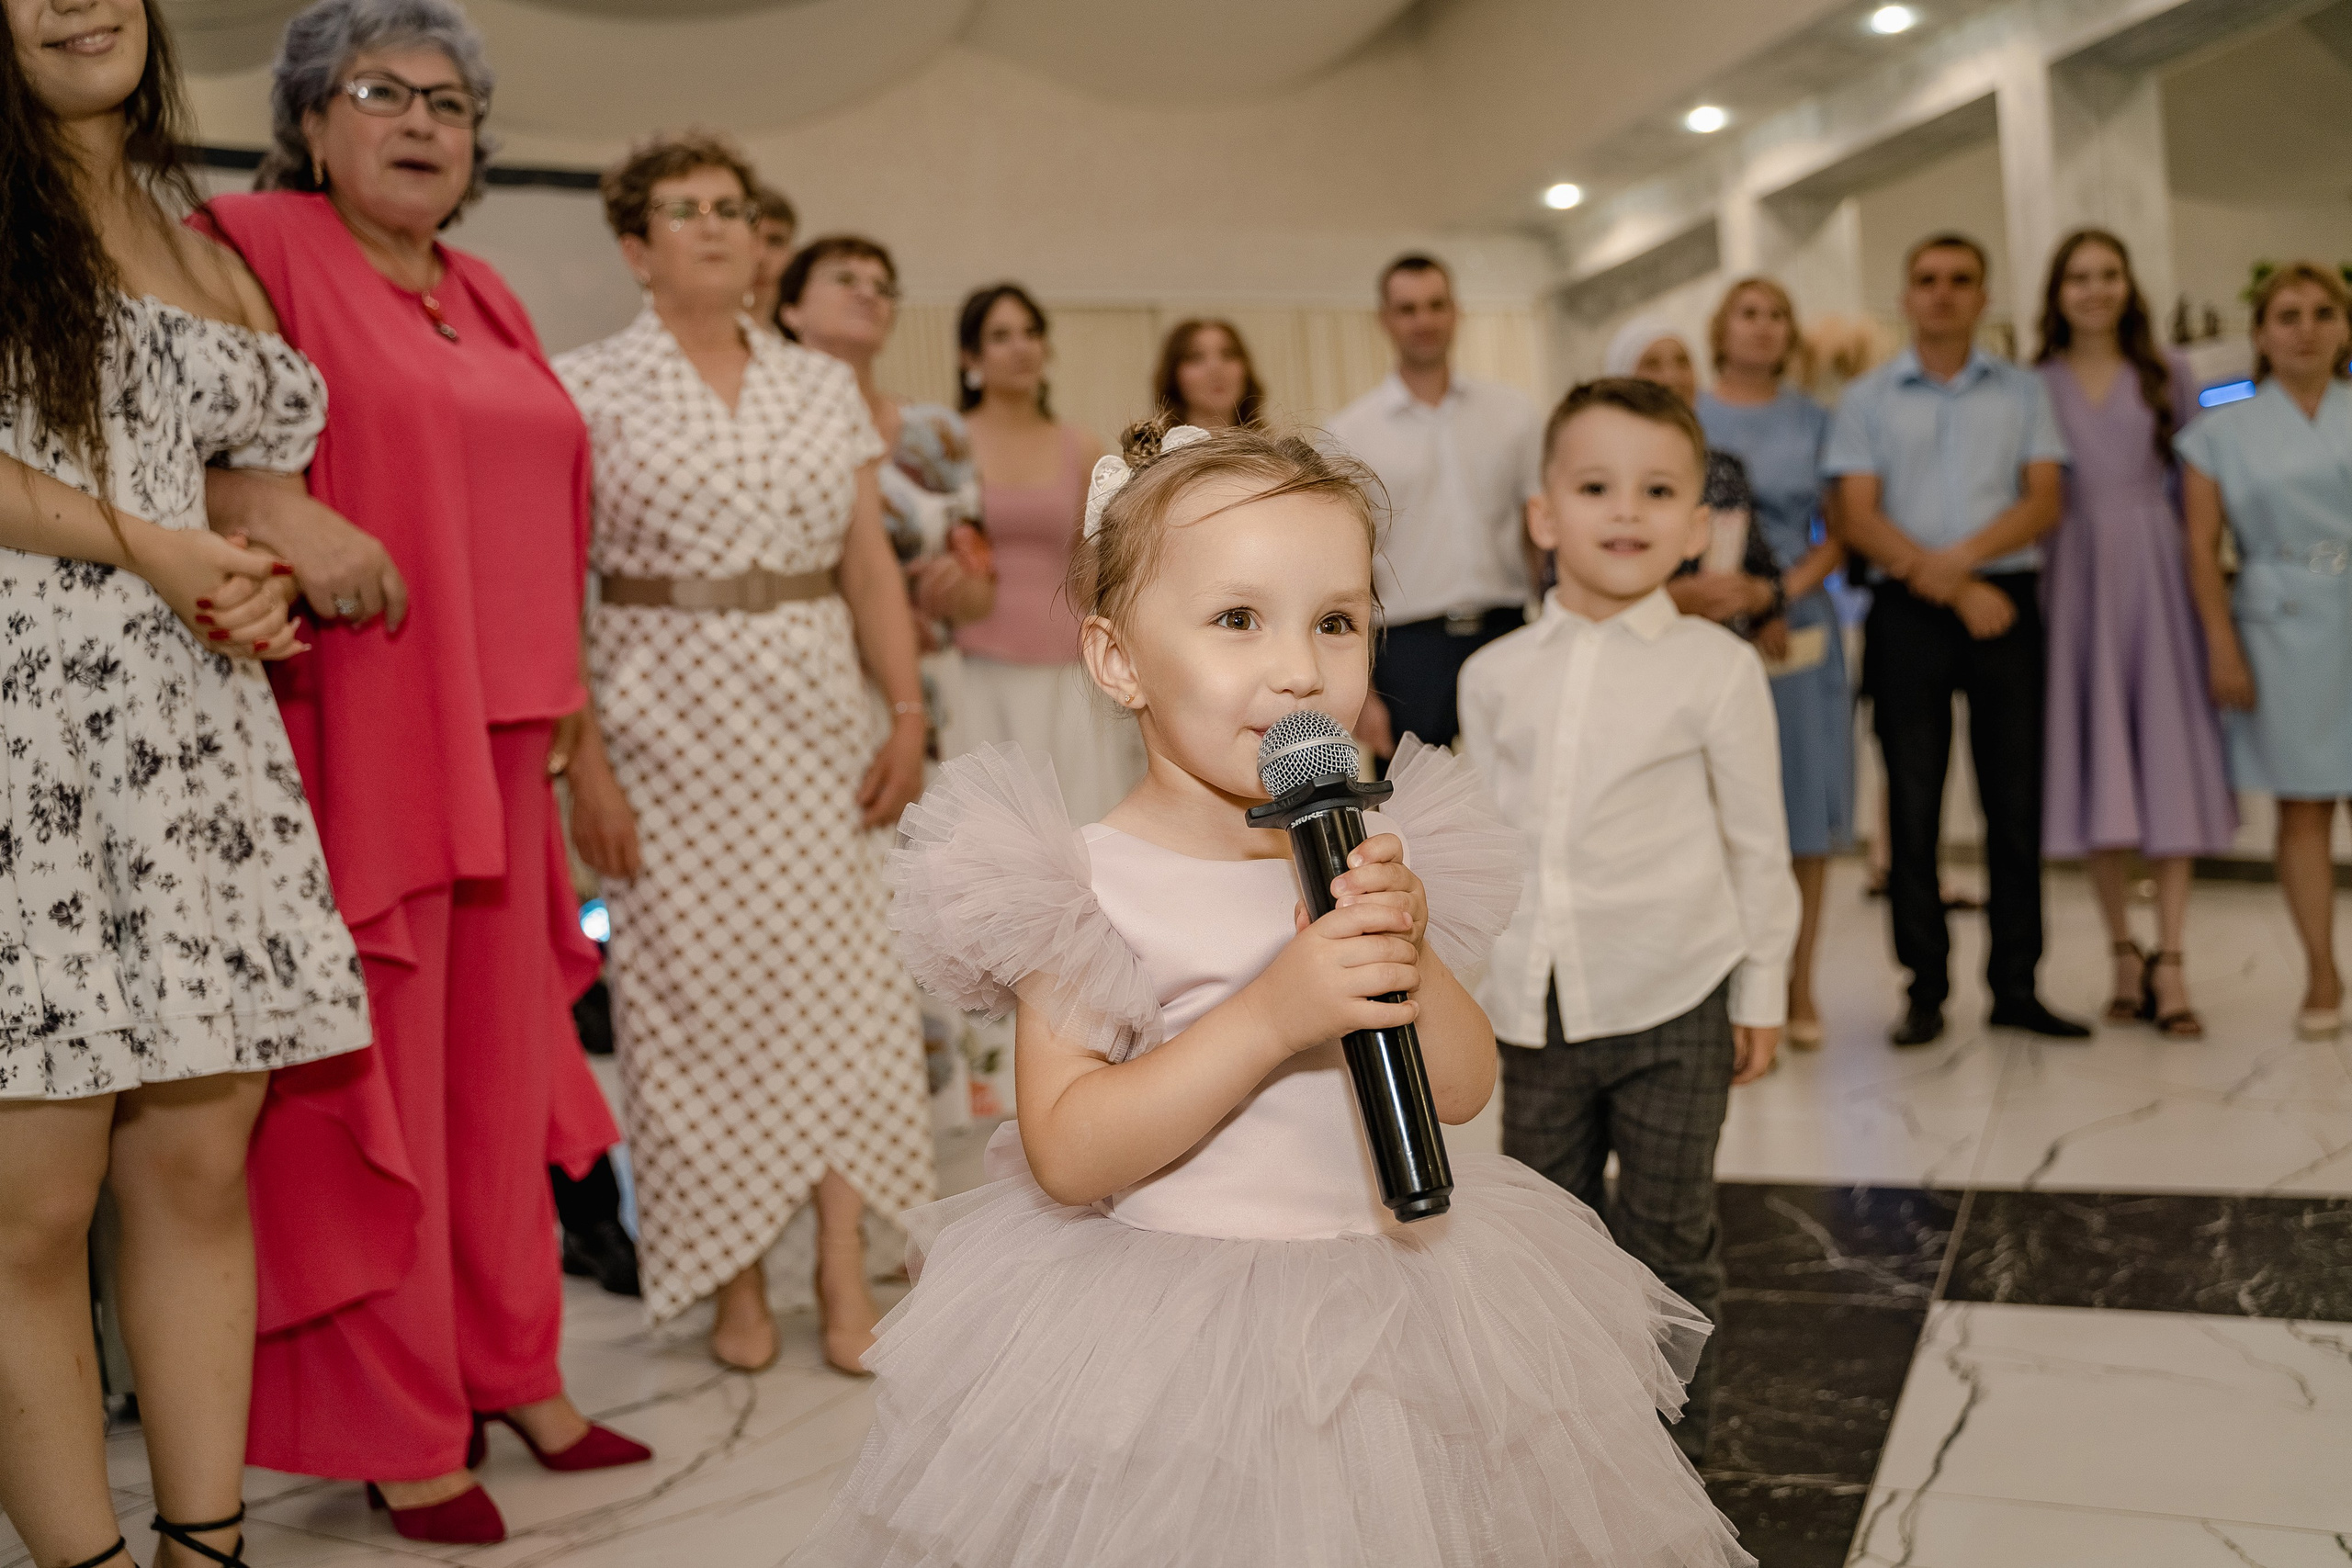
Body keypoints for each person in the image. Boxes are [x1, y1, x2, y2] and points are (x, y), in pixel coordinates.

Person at [789, 417, 1751, 1567]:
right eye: (1238, 619)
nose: (1300, 667)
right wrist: (1272, 1015)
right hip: (1171, 1340)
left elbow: (1459, 1086)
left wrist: (1406, 949)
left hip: (1398, 1299)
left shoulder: (1363, 848)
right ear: (1116, 659)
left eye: (1336, 621)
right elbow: (1069, 1151)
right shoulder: (1085, 882)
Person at [194, 0, 650, 1540]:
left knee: (507, 1079)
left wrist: (575, 718)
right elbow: (159, 427)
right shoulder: (253, 238)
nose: (419, 121)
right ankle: (402, 1422)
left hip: (515, 736)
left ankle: (515, 1364)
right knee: (377, 1094)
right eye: (377, 92)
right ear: (311, 123)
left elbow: (545, 518)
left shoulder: (491, 285)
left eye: (448, 102)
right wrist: (264, 500)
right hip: (363, 720)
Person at [0, 6, 368, 1565]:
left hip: (189, 720)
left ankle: (204, 1545)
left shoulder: (193, 234)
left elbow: (235, 479)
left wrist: (255, 575)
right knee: (32, 1201)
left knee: (202, 1162)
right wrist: (143, 540)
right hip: (24, 712)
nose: (78, 0)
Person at [555, 133, 936, 1379]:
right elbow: (559, 588)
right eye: (682, 210)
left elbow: (870, 564)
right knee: (690, 1005)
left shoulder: (818, 386)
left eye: (731, 208)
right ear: (635, 245)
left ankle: (837, 1262)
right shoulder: (587, 387)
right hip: (664, 726)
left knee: (844, 996)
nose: (714, 226)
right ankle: (727, 1269)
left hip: (817, 721)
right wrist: (586, 764)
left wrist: (907, 712)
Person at [1462, 378, 1796, 1465]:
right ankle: (1567, 1449)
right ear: (1543, 515)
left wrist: (1761, 990)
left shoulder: (1719, 669)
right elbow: (1479, 842)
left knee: (1667, 1238)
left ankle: (1669, 1456)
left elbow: (1757, 845)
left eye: (1657, 491)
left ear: (1698, 528)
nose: (1626, 511)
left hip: (1675, 997)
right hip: (1536, 1005)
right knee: (1545, 1234)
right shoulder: (1492, 676)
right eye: (1596, 486)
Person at [1826, 233, 2086, 1047]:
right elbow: (1855, 514)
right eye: (1927, 279)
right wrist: (1942, 579)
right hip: (1907, 608)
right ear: (1905, 298)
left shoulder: (2025, 392)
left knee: (2015, 800)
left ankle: (2016, 983)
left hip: (2003, 602)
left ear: (1983, 297)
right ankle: (1925, 987)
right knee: (1913, 804)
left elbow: (2045, 499)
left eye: (1960, 281)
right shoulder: (1867, 398)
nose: (1942, 293)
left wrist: (1965, 571)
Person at [2036, 231, 2237, 1037]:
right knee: (2097, 760)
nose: (2093, 290)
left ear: (2129, 284)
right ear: (2056, 292)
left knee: (2165, 754)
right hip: (2073, 574)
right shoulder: (2034, 383)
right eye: (2078, 277)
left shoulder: (2170, 371)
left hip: (2157, 575)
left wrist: (2210, 601)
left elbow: (2199, 490)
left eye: (2107, 275)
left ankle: (2176, 955)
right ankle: (2122, 948)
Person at [2179, 261, 2352, 1043]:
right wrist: (2222, 646)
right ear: (2260, 335)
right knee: (2305, 806)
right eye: (2287, 315)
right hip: (2280, 626)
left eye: (2322, 312)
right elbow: (2200, 548)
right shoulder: (2219, 433)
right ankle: (2321, 968)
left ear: (2345, 327)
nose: (2306, 329)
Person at [1698, 280, 1855, 1050]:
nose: (1762, 328)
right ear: (1721, 329)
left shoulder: (1817, 420)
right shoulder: (1688, 417)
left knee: (1802, 811)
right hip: (1706, 625)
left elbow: (1842, 530)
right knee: (1719, 810)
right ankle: (1725, 987)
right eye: (1747, 313)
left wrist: (1775, 592)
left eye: (1776, 316)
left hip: (1795, 623)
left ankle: (1799, 987)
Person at [777, 234, 997, 729]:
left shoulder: (937, 433)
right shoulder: (771, 434)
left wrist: (963, 585)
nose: (868, 293)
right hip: (810, 684)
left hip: (931, 685)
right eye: (845, 279)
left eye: (882, 286)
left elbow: (981, 593)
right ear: (790, 311)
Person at [945, 282, 1141, 825]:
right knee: (992, 822)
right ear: (970, 357)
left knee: (1080, 814)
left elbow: (1097, 562)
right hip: (978, 662)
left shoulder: (1078, 445)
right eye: (1001, 336)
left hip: (1068, 661)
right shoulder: (950, 441)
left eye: (1031, 333)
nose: (1021, 347)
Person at [1328, 254, 1539, 754]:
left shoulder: (1515, 414)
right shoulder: (1348, 435)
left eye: (1435, 305)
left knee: (1524, 797)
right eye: (1407, 309)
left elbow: (1540, 534)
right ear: (1385, 319)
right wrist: (1361, 690)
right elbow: (1340, 566)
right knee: (1420, 817)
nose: (1423, 321)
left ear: (1456, 312)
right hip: (1406, 650)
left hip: (1508, 630)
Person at [1605, 316, 1785, 641]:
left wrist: (1760, 599)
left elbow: (1765, 572)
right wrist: (1668, 599)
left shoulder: (1724, 468)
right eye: (1652, 364)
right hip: (1635, 652)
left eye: (1681, 362)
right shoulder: (1601, 476)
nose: (1671, 376)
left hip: (1722, 650)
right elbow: (1566, 584)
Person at [1152, 316, 1265, 428]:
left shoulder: (1272, 443)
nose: (1216, 368)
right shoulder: (1149, 445)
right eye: (1196, 357)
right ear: (1173, 374)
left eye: (1228, 354)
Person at [746, 182, 797, 330]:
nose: (760, 256)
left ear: (792, 256)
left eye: (775, 241)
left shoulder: (798, 349)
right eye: (751, 237)